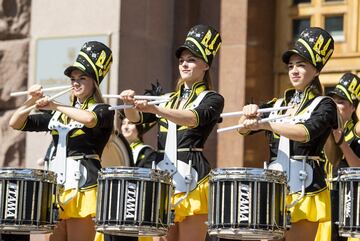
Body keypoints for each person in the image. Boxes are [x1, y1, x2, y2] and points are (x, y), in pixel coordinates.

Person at [119, 24, 224, 241]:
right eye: (182, 60)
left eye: (191, 59)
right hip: (165, 177)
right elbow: (135, 119)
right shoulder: (166, 98)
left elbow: (193, 118)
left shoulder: (213, 98)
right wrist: (128, 103)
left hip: (193, 178)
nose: (184, 64)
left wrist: (157, 109)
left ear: (205, 65)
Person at [237, 27, 337, 241]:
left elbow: (305, 132)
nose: (294, 70)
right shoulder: (276, 105)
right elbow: (241, 128)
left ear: (317, 71)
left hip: (305, 186)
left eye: (301, 65)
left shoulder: (325, 104)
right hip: (275, 186)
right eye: (291, 66)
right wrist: (248, 114)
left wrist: (267, 124)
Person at [9, 41, 114, 241]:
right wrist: (32, 100)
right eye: (73, 78)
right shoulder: (59, 116)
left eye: (82, 78)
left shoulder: (103, 109)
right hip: (58, 189)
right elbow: (16, 122)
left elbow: (90, 120)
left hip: (84, 188)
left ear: (94, 82)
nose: (75, 82)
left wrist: (55, 105)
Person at [316, 73, 360, 241]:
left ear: (353, 107)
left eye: (341, 102)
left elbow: (357, 168)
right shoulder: (321, 128)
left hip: (349, 202)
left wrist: (341, 142)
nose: (335, 105)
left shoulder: (356, 134)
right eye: (333, 100)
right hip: (322, 199)